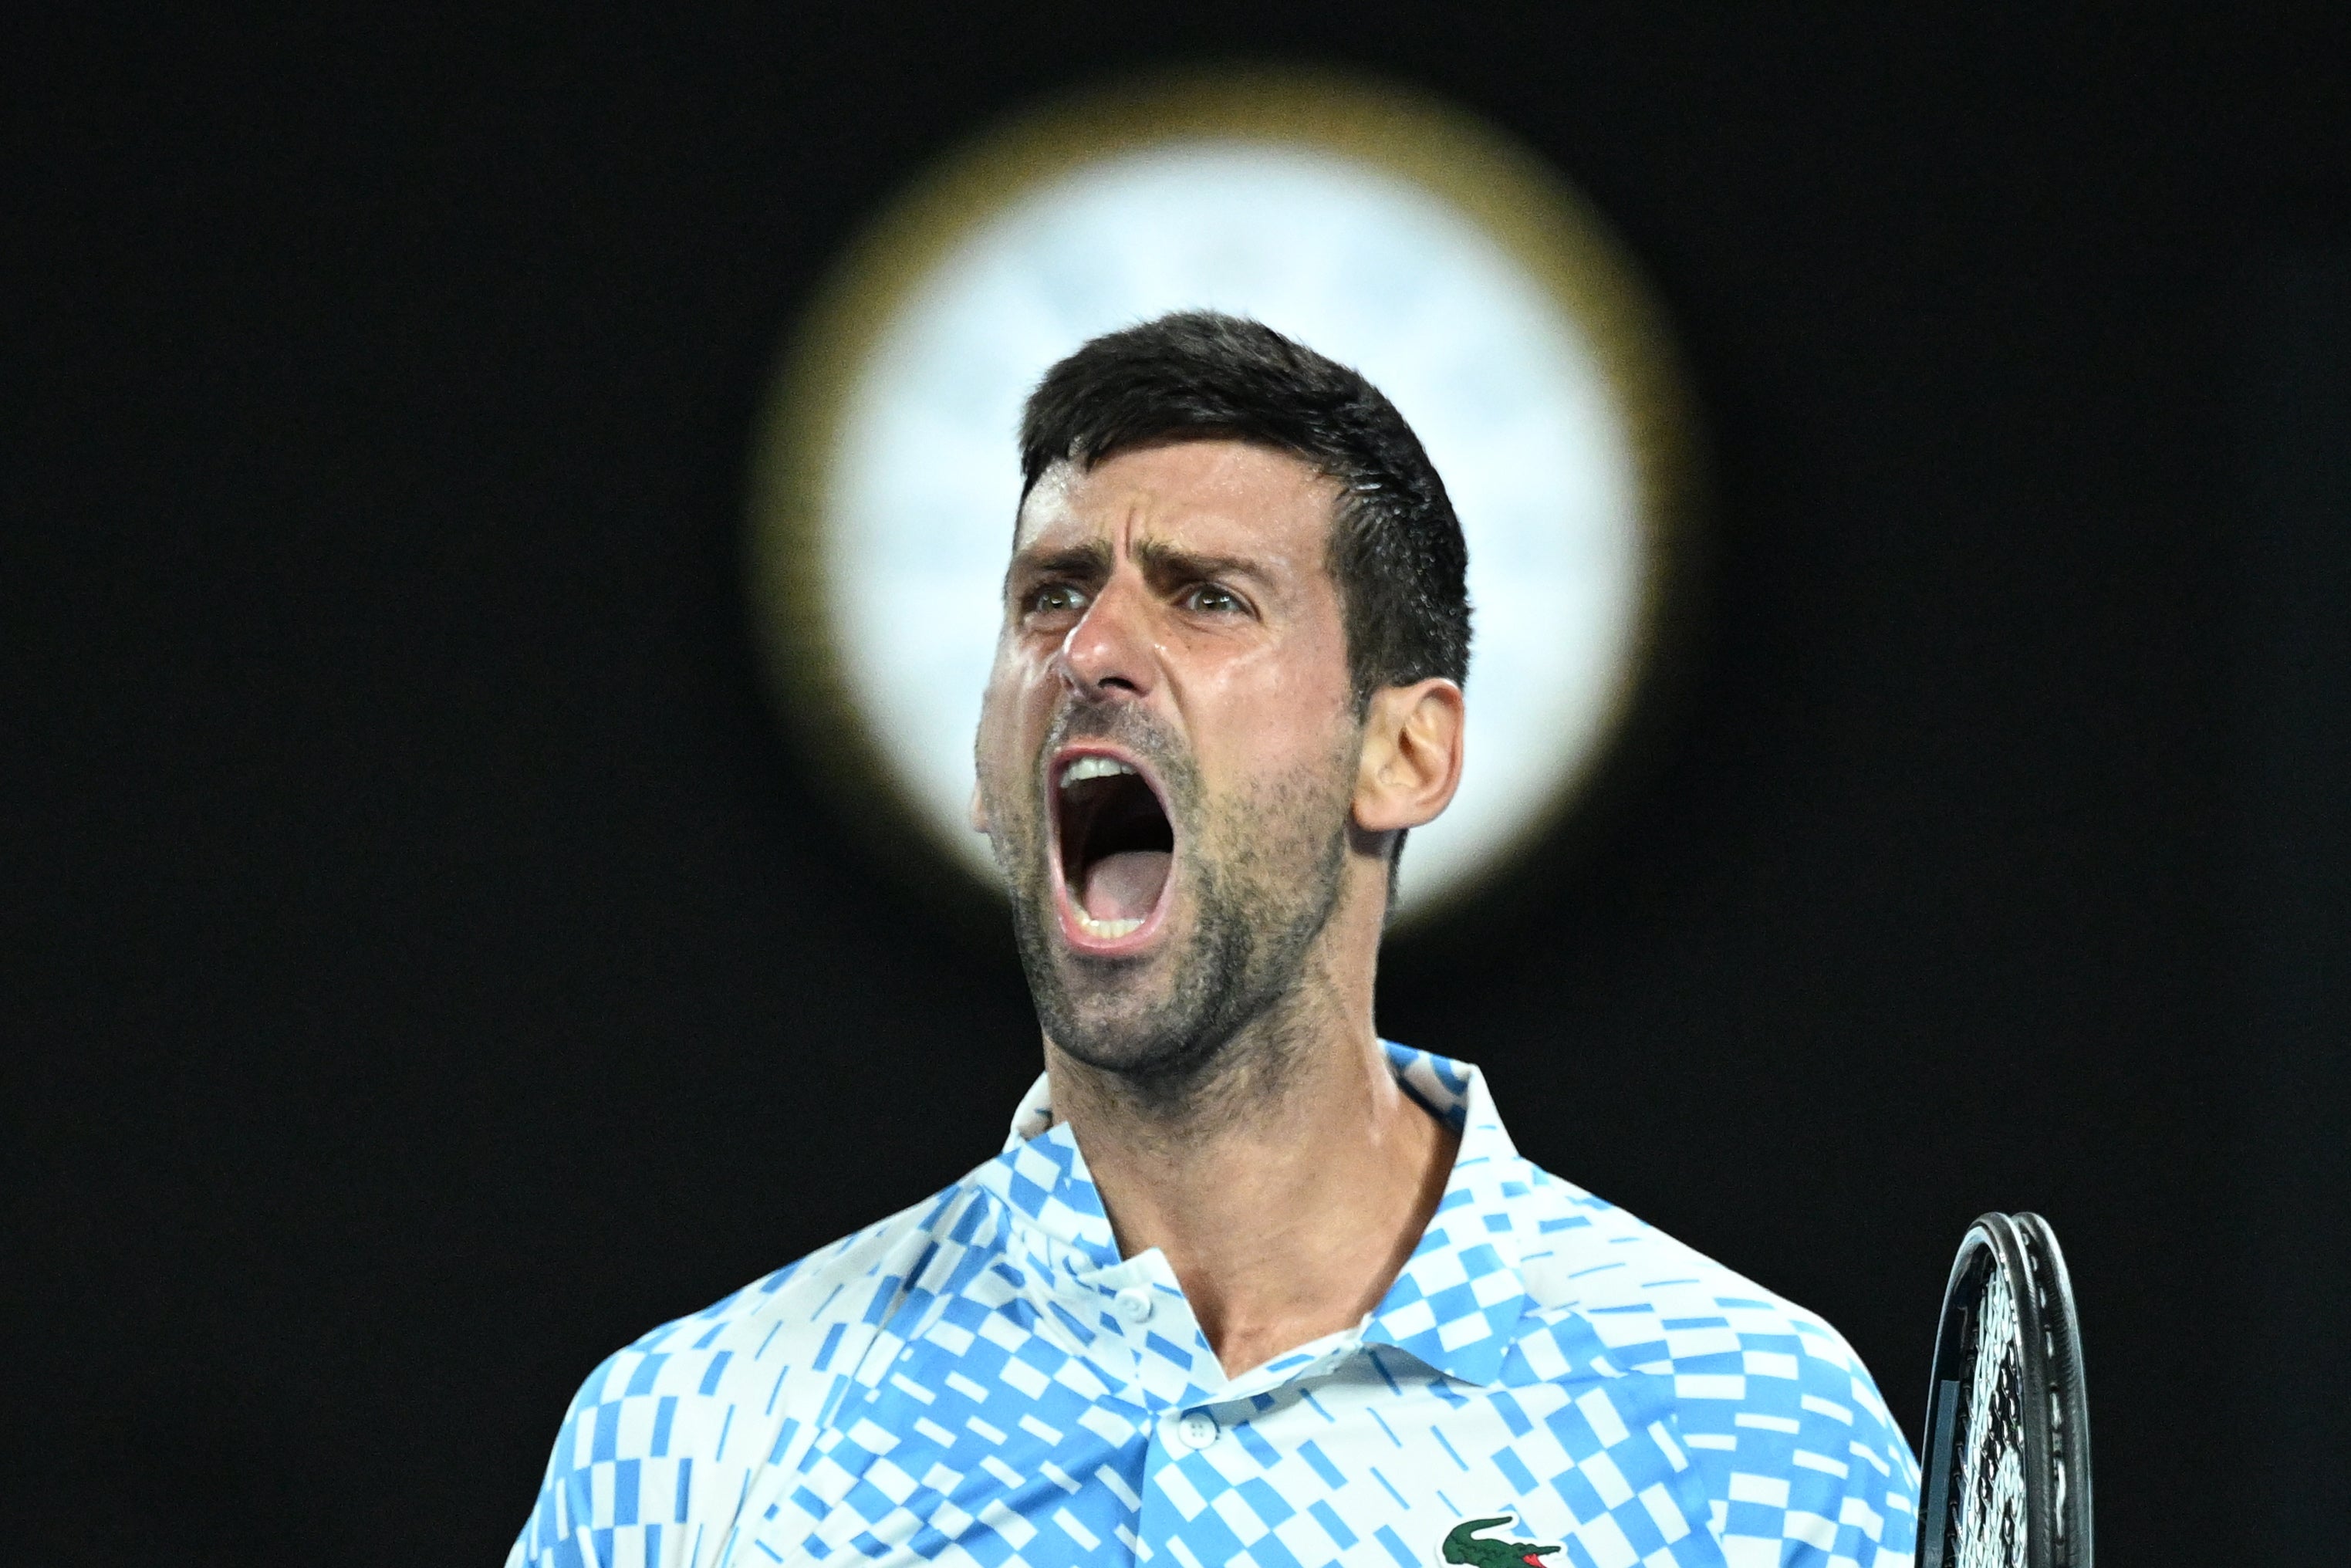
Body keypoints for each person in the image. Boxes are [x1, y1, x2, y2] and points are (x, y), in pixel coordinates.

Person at [508, 313, 1920, 1568]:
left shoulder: (1751, 1429)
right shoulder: (691, 1443)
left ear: (1407, 751)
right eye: (1050, 594)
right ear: (987, 768)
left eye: (1208, 596)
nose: (1093, 649)